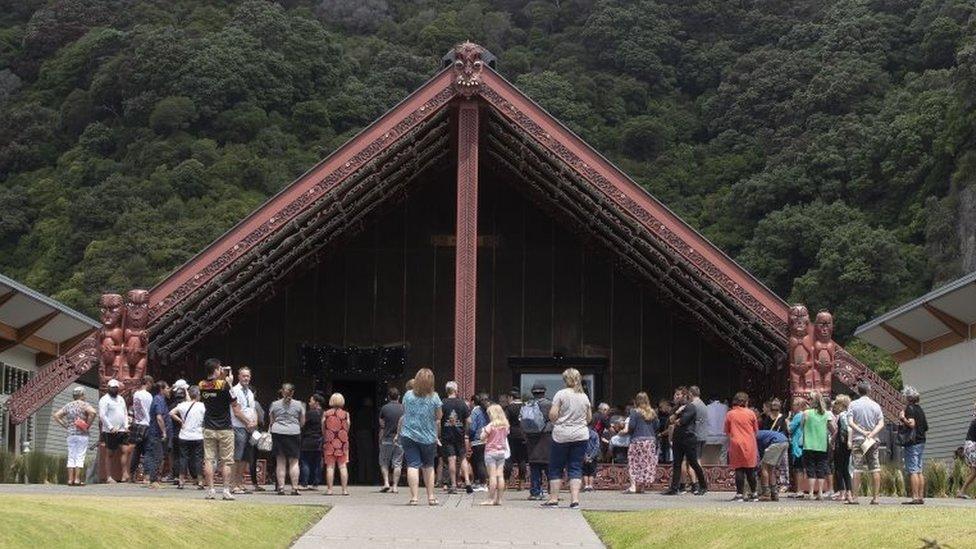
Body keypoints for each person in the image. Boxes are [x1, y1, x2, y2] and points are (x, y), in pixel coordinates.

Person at [543, 368, 592, 509]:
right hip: (580, 434)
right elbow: (589, 418)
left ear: (565, 380)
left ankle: (553, 499)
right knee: (575, 467)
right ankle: (575, 500)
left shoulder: (561, 394)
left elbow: (552, 415)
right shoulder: (584, 396)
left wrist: (558, 420)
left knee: (556, 467)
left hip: (562, 435)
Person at [398, 368, 442, 506]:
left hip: (409, 434)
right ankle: (431, 497)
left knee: (412, 465)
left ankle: (414, 498)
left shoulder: (408, 395)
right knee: (428, 466)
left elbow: (405, 412)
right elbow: (439, 416)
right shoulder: (434, 397)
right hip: (428, 436)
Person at [199, 358, 241, 500]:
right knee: (226, 460)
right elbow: (234, 402)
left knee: (209, 460)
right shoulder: (225, 385)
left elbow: (212, 389)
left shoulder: (202, 385)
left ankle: (211, 490)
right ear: (216, 369)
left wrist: (223, 380)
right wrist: (229, 382)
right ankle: (225, 490)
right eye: (220, 368)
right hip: (225, 428)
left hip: (209, 426)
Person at [664, 386, 707, 496]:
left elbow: (682, 422)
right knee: (677, 463)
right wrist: (677, 413)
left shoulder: (691, 407)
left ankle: (703, 485)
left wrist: (677, 418)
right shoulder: (677, 408)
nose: (678, 397)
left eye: (680, 395)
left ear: (686, 396)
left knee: (693, 462)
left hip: (688, 438)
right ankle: (674, 488)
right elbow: (670, 420)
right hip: (678, 438)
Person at [848, 381, 884, 505]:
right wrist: (871, 433)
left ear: (858, 391)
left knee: (857, 468)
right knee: (875, 468)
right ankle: (876, 497)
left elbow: (850, 423)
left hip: (858, 439)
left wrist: (862, 432)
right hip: (873, 439)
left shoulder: (853, 404)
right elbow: (881, 423)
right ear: (869, 391)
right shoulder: (876, 405)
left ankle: (855, 497)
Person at [54, 387, 96, 486]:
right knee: (80, 456)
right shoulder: (84, 404)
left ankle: (70, 479)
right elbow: (93, 412)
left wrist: (65, 425)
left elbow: (56, 415)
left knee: (71, 455)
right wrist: (87, 425)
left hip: (70, 434)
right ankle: (77, 479)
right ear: (81, 395)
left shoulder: (68, 405)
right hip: (82, 433)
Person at [270, 383, 305, 496]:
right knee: (294, 461)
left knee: (280, 461)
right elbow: (302, 422)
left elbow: (271, 421)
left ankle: (281, 488)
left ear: (281, 391)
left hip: (278, 432)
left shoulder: (274, 404)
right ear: (293, 392)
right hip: (294, 432)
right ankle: (294, 488)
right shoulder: (299, 404)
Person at [620, 392, 659, 494]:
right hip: (650, 440)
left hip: (637, 440)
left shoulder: (634, 412)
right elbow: (657, 426)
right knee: (646, 463)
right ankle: (641, 487)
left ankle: (633, 486)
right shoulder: (652, 412)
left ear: (636, 401)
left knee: (633, 462)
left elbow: (632, 426)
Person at [724, 392, 759, 501]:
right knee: (750, 469)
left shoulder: (730, 414)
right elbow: (756, 430)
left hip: (736, 443)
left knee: (739, 469)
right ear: (746, 402)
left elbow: (727, 431)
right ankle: (754, 493)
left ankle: (739, 494)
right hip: (749, 442)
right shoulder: (751, 413)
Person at [170, 385, 205, 489]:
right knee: (198, 459)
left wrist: (181, 421)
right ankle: (200, 482)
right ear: (198, 395)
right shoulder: (202, 406)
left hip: (184, 435)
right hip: (198, 435)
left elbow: (171, 413)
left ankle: (181, 481)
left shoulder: (182, 405)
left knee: (183, 458)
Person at [800, 392, 834, 500]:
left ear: (811, 401)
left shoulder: (806, 413)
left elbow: (801, 427)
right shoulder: (826, 414)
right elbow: (833, 429)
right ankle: (820, 492)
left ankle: (810, 493)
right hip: (822, 444)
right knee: (821, 468)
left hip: (808, 444)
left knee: (810, 469)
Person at [898, 386, 928, 505]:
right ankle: (920, 497)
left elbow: (911, 424)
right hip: (921, 441)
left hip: (913, 442)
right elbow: (925, 427)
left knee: (913, 470)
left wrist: (902, 418)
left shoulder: (909, 408)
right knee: (919, 470)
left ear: (907, 397)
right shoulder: (920, 409)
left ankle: (915, 497)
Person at [440, 381, 471, 494]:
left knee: (451, 459)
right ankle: (467, 482)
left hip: (447, 435)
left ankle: (453, 485)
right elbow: (469, 420)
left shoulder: (442, 403)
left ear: (447, 390)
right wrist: (465, 432)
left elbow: (438, 420)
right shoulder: (462, 403)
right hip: (459, 435)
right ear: (456, 390)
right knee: (463, 458)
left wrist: (438, 434)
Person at [230, 367, 257, 495]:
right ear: (238, 376)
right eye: (243, 376)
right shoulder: (234, 390)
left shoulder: (250, 392)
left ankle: (240, 483)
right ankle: (233, 484)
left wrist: (254, 422)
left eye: (248, 376)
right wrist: (248, 422)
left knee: (245, 457)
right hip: (238, 427)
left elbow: (253, 409)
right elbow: (236, 412)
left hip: (249, 428)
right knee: (237, 457)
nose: (246, 378)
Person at [523, 383, 552, 501]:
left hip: (532, 439)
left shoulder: (527, 405)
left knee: (534, 467)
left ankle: (535, 492)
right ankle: (553, 493)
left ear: (533, 392)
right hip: (547, 438)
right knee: (550, 467)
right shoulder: (549, 404)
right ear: (544, 392)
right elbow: (555, 420)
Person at [98, 379, 129, 482]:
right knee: (110, 453)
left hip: (122, 429)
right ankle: (108, 477)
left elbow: (124, 413)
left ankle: (125, 474)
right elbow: (102, 415)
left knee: (125, 450)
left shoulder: (120, 399)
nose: (114, 390)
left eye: (116, 388)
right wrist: (110, 427)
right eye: (112, 388)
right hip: (110, 430)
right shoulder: (104, 399)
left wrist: (126, 425)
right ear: (108, 388)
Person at [145, 380, 173, 489]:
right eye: (167, 388)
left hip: (158, 433)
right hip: (156, 433)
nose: (168, 390)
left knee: (160, 456)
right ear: (161, 389)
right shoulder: (158, 400)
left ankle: (156, 479)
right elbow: (159, 417)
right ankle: (153, 480)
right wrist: (164, 431)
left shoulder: (162, 399)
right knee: (156, 456)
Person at [480, 403, 510, 506]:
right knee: (500, 476)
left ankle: (490, 499)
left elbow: (482, 437)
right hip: (501, 452)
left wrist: (483, 432)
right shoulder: (505, 425)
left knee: (492, 476)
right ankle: (499, 499)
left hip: (490, 452)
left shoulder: (491, 425)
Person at [323, 392, 350, 496]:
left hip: (330, 441)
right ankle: (344, 490)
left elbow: (323, 427)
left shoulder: (326, 413)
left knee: (330, 466)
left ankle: (330, 490)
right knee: (343, 466)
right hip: (342, 442)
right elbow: (347, 427)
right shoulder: (346, 414)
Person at [378, 386, 405, 494]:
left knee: (384, 462)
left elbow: (381, 423)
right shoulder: (403, 408)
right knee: (397, 463)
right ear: (399, 397)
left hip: (387, 438)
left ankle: (386, 483)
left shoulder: (384, 408)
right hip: (400, 438)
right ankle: (395, 486)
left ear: (388, 397)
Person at [128, 375, 154, 482]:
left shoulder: (136, 395)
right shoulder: (148, 396)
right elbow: (150, 410)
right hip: (146, 424)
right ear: (147, 383)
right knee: (148, 451)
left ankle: (131, 475)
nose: (151, 386)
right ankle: (147, 476)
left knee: (137, 451)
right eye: (151, 383)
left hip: (137, 423)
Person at [300, 393, 325, 490]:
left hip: (308, 439)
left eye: (311, 401)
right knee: (317, 462)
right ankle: (316, 483)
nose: (309, 403)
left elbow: (302, 424)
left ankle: (304, 482)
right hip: (319, 439)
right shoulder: (324, 413)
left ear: (316, 402)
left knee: (305, 461)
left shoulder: (309, 413)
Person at [504, 388, 528, 490]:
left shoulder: (509, 408)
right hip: (524, 435)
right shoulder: (525, 407)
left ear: (511, 397)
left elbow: (505, 421)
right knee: (522, 459)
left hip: (512, 435)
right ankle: (521, 483)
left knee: (509, 458)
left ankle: (506, 482)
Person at [757, 428, 789, 501]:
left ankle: (766, 494)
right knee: (771, 469)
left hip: (776, 443)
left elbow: (759, 452)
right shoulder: (760, 433)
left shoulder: (754, 436)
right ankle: (774, 493)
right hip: (785, 441)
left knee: (764, 468)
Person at [832, 395, 853, 503]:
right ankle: (849, 492)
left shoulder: (842, 415)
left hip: (841, 444)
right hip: (848, 445)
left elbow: (845, 429)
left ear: (841, 405)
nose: (835, 405)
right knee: (846, 468)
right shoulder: (851, 414)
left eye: (836, 403)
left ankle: (842, 492)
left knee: (839, 469)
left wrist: (832, 441)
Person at [168, 379, 189, 485]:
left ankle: (177, 475)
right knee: (184, 455)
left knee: (176, 455)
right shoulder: (186, 405)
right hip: (185, 433)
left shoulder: (172, 405)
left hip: (175, 433)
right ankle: (184, 475)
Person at [469, 393, 489, 490]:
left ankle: (483, 483)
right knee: (475, 460)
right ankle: (478, 480)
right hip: (487, 439)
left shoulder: (475, 411)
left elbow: (472, 427)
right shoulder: (488, 411)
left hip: (477, 440)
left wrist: (469, 435)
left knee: (480, 462)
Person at [788, 397, 808, 497]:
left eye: (795, 405)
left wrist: (787, 420)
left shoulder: (798, 416)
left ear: (799, 406)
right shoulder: (806, 414)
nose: (793, 407)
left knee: (798, 468)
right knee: (802, 468)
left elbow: (790, 429)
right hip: (804, 444)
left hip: (797, 445)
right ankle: (802, 489)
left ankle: (799, 490)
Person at [956, 401, 976, 498]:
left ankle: (961, 491)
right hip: (972, 447)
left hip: (970, 446)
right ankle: (961, 491)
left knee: (974, 472)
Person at [706, 394, 729, 464]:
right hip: (723, 437)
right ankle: (723, 471)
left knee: (709, 458)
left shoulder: (706, 407)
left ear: (710, 400)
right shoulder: (726, 407)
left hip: (709, 437)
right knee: (723, 456)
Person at [582, 419, 600, 492]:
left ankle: (586, 486)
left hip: (584, 455)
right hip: (593, 456)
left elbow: (581, 445)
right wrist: (592, 456)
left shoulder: (582, 434)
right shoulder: (595, 434)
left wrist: (585, 456)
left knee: (585, 471)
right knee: (592, 472)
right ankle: (590, 486)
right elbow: (597, 446)